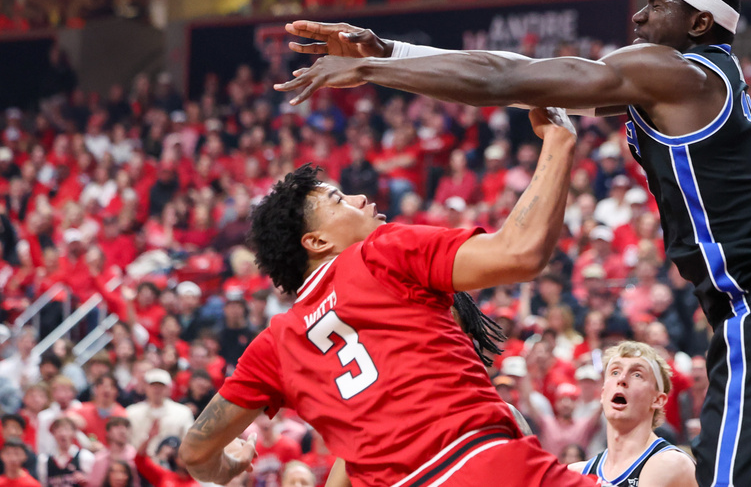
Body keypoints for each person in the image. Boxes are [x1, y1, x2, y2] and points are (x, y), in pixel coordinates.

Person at [275, 0, 751, 487]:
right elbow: (526, 83)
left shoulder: (669, 71)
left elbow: (509, 77)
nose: (639, 18)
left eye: (656, 5)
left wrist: (368, 70)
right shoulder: (696, 80)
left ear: (698, 22)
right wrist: (393, 50)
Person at [179, 108, 597, 487]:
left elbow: (194, 452)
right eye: (339, 200)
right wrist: (559, 140)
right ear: (317, 240)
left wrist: (228, 467)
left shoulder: (273, 346)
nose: (363, 199)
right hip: (480, 463)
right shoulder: (377, 252)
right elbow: (520, 252)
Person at [568, 341, 695, 487]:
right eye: (615, 372)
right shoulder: (580, 472)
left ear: (658, 400)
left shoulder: (671, 463)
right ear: (603, 394)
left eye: (636, 374)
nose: (621, 379)